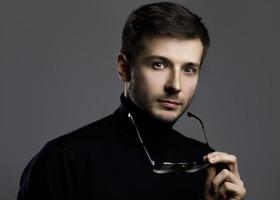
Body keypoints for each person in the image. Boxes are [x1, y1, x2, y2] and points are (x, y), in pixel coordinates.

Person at [17, 2, 246, 200]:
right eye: (159, 64)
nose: (175, 85)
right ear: (124, 68)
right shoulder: (62, 161)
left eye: (188, 69)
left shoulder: (208, 166)